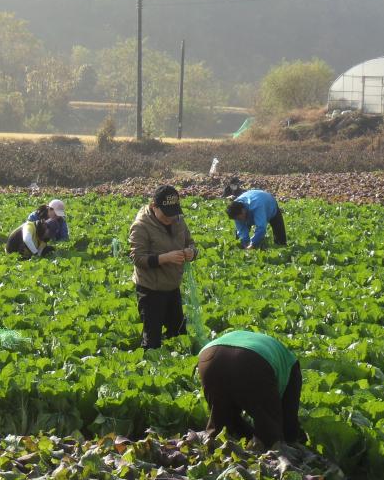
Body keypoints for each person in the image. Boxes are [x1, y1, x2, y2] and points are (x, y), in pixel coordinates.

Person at [197, 330, 304, 447]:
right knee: (270, 439)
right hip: (253, 359)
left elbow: (235, 417)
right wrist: (292, 439)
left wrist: (249, 433)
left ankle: (212, 452)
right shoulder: (292, 365)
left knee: (221, 425)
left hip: (209, 356)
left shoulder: (279, 353)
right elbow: (289, 420)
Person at [128, 184, 197, 349]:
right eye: (166, 215)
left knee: (179, 333)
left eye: (174, 213)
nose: (171, 218)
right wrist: (164, 258)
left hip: (172, 286)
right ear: (153, 207)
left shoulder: (178, 220)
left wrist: (191, 253)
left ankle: (178, 365)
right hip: (150, 289)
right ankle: (150, 367)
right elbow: (138, 258)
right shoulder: (141, 226)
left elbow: (191, 243)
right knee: (152, 339)